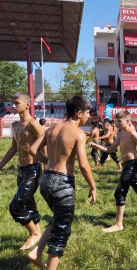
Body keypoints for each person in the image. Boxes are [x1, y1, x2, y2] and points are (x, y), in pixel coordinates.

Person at [27, 95, 97, 269]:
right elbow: (83, 164)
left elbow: (33, 149)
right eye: (88, 113)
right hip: (63, 184)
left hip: (46, 180)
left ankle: (36, 252)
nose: (88, 117)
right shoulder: (79, 134)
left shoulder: (51, 129)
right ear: (79, 113)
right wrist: (93, 186)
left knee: (58, 218)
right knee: (61, 232)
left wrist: (46, 161)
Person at [89, 110, 137, 234]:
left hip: (132, 165)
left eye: (119, 121)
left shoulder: (132, 133)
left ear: (127, 121)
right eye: (116, 121)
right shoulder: (121, 134)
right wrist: (97, 146)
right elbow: (111, 148)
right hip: (127, 165)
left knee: (120, 192)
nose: (116, 123)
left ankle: (119, 224)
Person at [0, 93, 44, 250]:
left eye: (17, 102)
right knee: (29, 202)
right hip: (21, 169)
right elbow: (13, 149)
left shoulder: (33, 124)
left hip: (33, 168)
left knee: (16, 205)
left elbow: (44, 145)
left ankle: (33, 234)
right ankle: (38, 233)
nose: (13, 105)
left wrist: (48, 168)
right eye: (12, 103)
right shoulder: (15, 125)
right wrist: (1, 165)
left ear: (27, 105)